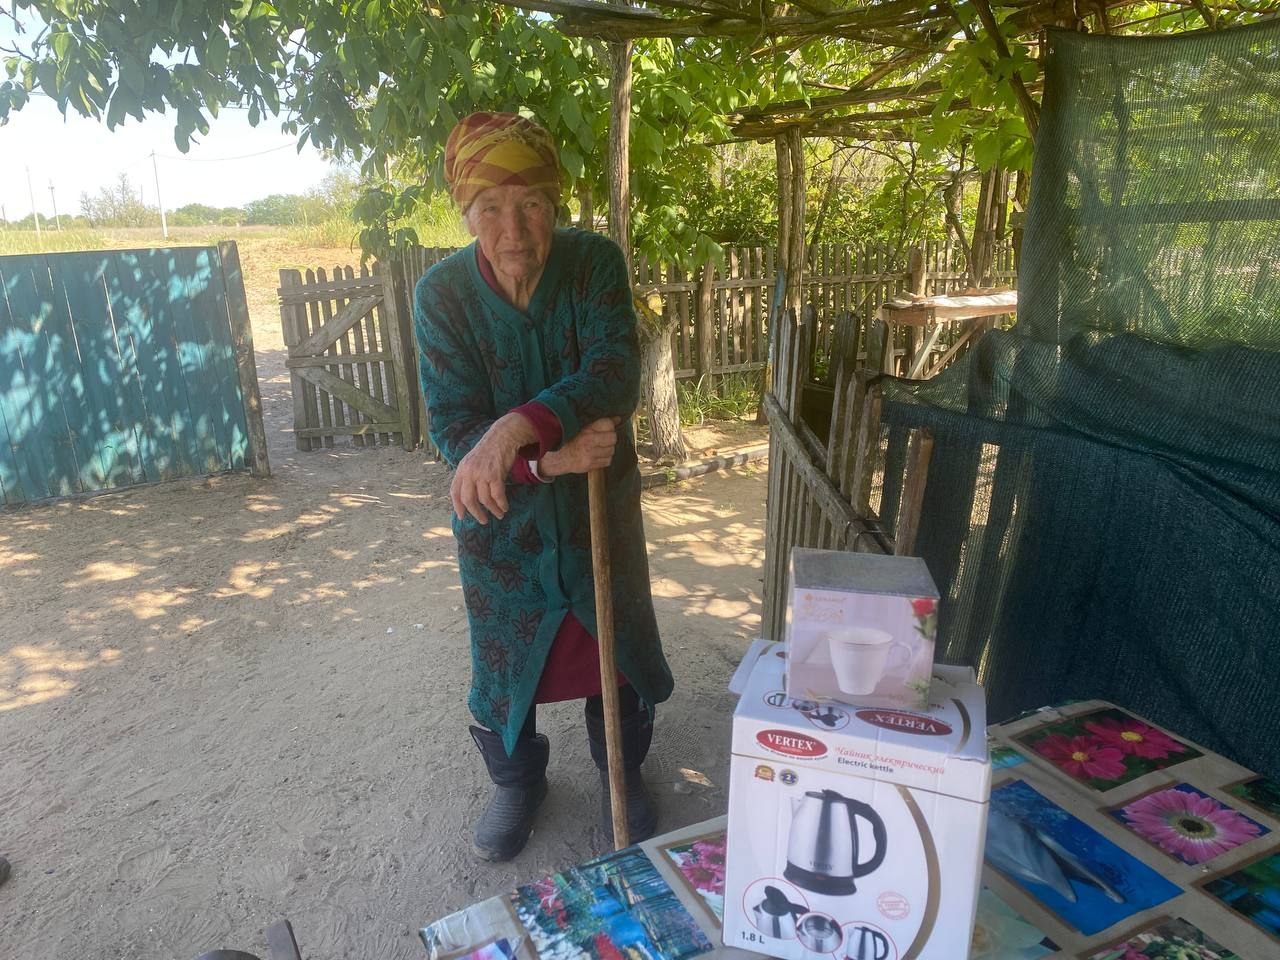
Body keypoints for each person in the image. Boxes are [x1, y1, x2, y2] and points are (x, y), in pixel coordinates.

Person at [413, 112, 674, 861]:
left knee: (613, 650)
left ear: (554, 204)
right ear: (465, 213)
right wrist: (544, 461)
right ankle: (517, 783)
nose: (513, 230)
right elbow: (454, 429)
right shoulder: (441, 297)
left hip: (598, 514)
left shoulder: (594, 265)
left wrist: (514, 429)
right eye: (490, 208)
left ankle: (620, 770)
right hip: (502, 523)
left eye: (530, 204)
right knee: (505, 661)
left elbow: (613, 375)